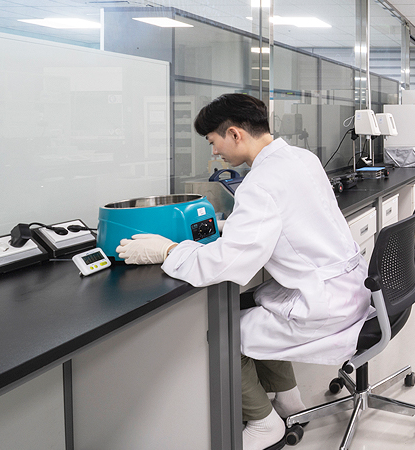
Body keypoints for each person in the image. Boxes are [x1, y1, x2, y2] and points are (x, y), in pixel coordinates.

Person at [116, 93, 371, 450]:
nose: (214, 152)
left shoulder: (260, 182)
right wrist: (231, 227)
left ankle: (265, 424)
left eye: (213, 141)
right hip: (351, 289)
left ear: (235, 134)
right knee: (258, 307)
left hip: (325, 304)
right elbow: (284, 220)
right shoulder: (301, 157)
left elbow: (227, 263)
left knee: (225, 333)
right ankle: (289, 402)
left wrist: (167, 250)